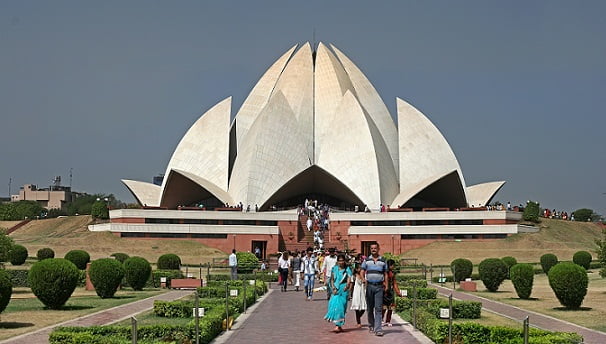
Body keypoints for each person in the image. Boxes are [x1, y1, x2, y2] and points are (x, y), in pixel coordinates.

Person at [361, 243, 387, 337]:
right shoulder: (367, 260)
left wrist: (386, 285)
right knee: (370, 308)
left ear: (378, 249)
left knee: (378, 308)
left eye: (375, 248)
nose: (373, 250)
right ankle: (371, 325)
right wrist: (363, 279)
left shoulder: (383, 260)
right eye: (372, 248)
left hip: (379, 287)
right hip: (370, 286)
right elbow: (362, 271)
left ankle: (378, 329)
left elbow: (386, 273)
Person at [324, 254, 353, 333]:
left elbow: (349, 279)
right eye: (339, 261)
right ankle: (337, 325)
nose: (341, 262)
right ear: (337, 261)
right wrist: (333, 288)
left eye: (342, 260)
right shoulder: (335, 269)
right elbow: (332, 279)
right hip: (335, 289)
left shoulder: (347, 269)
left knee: (342, 308)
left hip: (343, 290)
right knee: (335, 306)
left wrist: (347, 286)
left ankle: (339, 325)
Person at [382, 259, 402, 327]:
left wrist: (398, 292)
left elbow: (394, 283)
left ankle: (388, 321)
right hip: (384, 291)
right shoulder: (384, 272)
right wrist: (385, 285)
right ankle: (381, 320)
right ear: (390, 265)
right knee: (384, 307)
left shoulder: (392, 273)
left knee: (391, 307)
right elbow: (381, 281)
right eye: (393, 265)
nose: (394, 267)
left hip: (391, 291)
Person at [350, 264, 367, 328]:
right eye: (359, 268)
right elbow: (351, 284)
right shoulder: (354, 276)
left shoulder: (364, 275)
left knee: (363, 308)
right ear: (356, 269)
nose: (361, 269)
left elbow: (366, 284)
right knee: (357, 308)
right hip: (356, 293)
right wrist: (349, 293)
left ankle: (358, 317)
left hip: (362, 293)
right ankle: (358, 322)